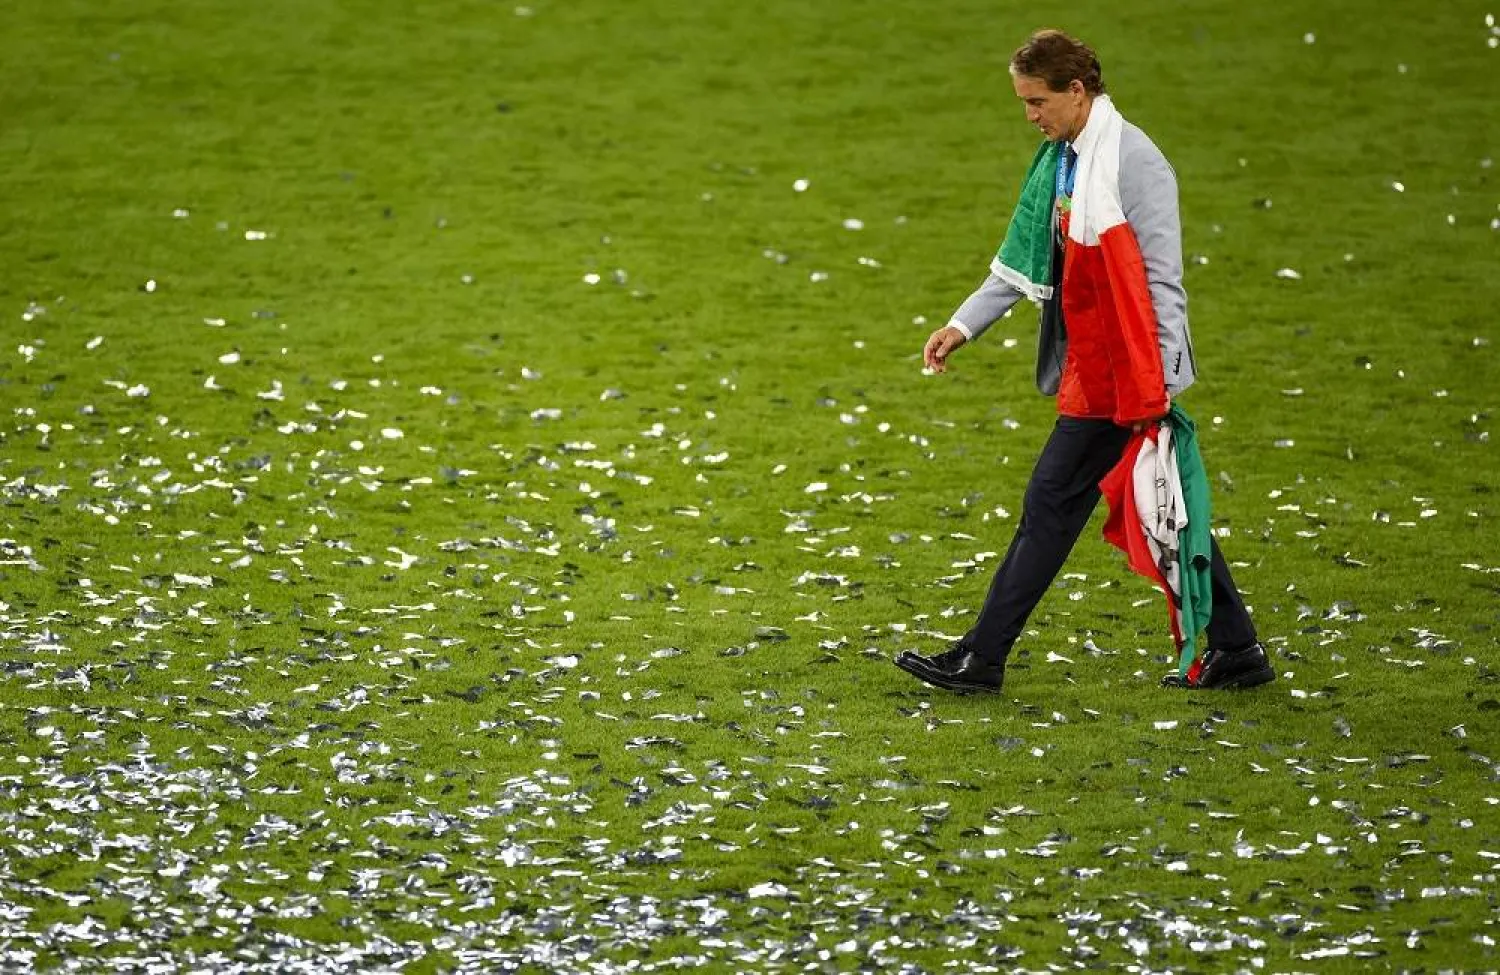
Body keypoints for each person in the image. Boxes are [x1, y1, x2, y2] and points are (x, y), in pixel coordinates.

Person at [894, 29, 1275, 694]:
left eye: (1037, 101)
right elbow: (1029, 261)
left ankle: (982, 658)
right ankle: (1238, 649)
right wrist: (962, 324)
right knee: (1169, 508)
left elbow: (1162, 283)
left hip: (1122, 374)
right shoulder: (1066, 159)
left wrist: (1150, 386)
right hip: (1096, 365)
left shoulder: (1136, 163)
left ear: (1077, 91)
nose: (1029, 116)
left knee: (1051, 503)